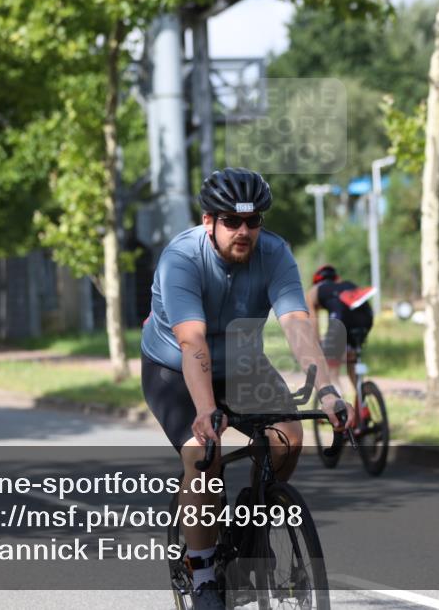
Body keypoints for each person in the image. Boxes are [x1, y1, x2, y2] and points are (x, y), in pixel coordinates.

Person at [141, 167, 352, 609]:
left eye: (253, 221)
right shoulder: (181, 258)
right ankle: (202, 573)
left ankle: (252, 518)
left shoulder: (274, 253)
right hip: (175, 367)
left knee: (288, 439)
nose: (244, 231)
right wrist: (205, 412)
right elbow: (191, 340)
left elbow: (296, 322)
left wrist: (328, 392)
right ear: (208, 221)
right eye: (232, 222)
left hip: (240, 362)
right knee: (204, 454)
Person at [306, 265, 374, 398]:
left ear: (316, 281)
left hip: (341, 320)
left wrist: (317, 344)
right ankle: (365, 408)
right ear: (337, 278)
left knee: (332, 371)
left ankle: (340, 412)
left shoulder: (314, 291)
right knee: (352, 364)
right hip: (366, 319)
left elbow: (313, 321)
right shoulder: (348, 285)